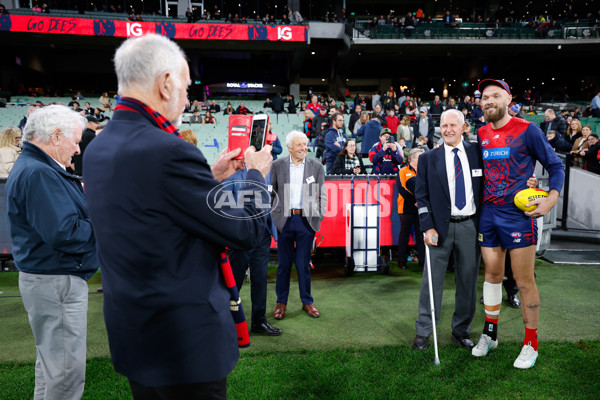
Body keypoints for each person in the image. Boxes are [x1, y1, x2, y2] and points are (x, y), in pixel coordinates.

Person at [83, 34, 274, 399]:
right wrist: (255, 175)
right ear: (166, 83)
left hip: (136, 334)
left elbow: (158, 210)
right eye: (187, 88)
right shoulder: (167, 151)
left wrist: (211, 177)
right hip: (184, 345)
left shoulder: (99, 147)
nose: (189, 99)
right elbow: (246, 231)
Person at [6, 105, 99, 400]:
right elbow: (66, 233)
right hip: (57, 279)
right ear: (56, 136)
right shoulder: (39, 173)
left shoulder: (37, 168)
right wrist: (107, 224)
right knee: (65, 375)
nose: (78, 149)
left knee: (51, 370)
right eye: (74, 141)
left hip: (50, 278)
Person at [473, 79, 565, 369]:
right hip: (488, 214)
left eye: (495, 96)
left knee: (524, 281)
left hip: (517, 216)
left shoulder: (528, 129)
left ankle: (530, 343)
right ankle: (490, 334)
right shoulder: (482, 133)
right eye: (485, 97)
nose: (488, 100)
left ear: (508, 99)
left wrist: (550, 199)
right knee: (491, 275)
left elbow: (556, 165)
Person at [412, 109, 482, 352]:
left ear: (464, 128)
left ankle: (461, 331)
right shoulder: (428, 158)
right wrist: (427, 226)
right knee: (431, 284)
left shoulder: (477, 153)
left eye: (453, 125)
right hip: (438, 229)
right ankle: (423, 333)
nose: (448, 129)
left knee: (468, 282)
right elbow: (421, 197)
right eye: (444, 125)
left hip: (470, 226)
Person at [271, 131, 327, 320]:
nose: (304, 148)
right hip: (284, 221)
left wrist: (318, 216)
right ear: (289, 148)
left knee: (303, 264)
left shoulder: (316, 166)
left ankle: (307, 302)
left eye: (305, 144)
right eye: (299, 145)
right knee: (284, 265)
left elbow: (322, 195)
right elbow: (271, 193)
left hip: (306, 221)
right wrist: (275, 216)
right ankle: (281, 303)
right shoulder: (277, 165)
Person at [397, 147, 425, 269]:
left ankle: (423, 260)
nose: (423, 159)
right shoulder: (403, 171)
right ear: (412, 158)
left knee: (421, 235)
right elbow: (402, 189)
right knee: (404, 234)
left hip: (420, 207)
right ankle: (401, 260)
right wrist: (415, 201)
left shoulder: (424, 171)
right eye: (420, 157)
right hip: (405, 208)